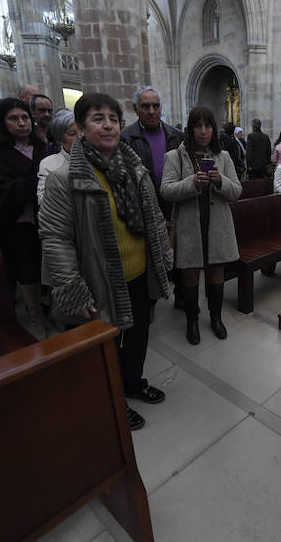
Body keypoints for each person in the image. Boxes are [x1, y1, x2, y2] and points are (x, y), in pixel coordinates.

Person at [39, 93, 172, 431]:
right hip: (98, 279)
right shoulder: (65, 179)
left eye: (113, 118)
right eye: (98, 118)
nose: (108, 125)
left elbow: (154, 217)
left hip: (139, 274)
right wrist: (72, 288)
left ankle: (132, 383)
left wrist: (162, 257)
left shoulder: (135, 169)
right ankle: (112, 399)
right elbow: (55, 238)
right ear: (81, 129)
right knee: (107, 346)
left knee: (139, 335)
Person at [161, 106, 242, 345]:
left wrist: (220, 181)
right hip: (189, 226)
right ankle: (192, 322)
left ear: (214, 130)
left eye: (208, 126)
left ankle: (216, 319)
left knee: (217, 271)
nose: (203, 131)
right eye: (198, 126)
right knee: (190, 273)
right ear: (190, 129)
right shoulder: (174, 156)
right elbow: (166, 190)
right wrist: (192, 183)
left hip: (216, 226)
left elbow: (237, 191)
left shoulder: (223, 157)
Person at [0, 98, 48, 338]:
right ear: (3, 123)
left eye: (24, 118)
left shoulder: (41, 146)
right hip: (19, 220)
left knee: (48, 262)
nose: (22, 123)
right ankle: (36, 318)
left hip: (46, 216)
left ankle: (52, 306)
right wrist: (36, 181)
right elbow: (1, 188)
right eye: (14, 119)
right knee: (27, 268)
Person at [121, 86, 185, 216]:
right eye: (145, 106)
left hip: (175, 208)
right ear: (135, 108)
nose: (151, 111)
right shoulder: (125, 138)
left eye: (156, 106)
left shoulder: (177, 136)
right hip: (144, 211)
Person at [37, 110, 78, 205]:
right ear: (59, 140)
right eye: (72, 134)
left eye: (82, 131)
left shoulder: (96, 157)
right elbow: (43, 200)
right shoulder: (48, 164)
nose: (80, 136)